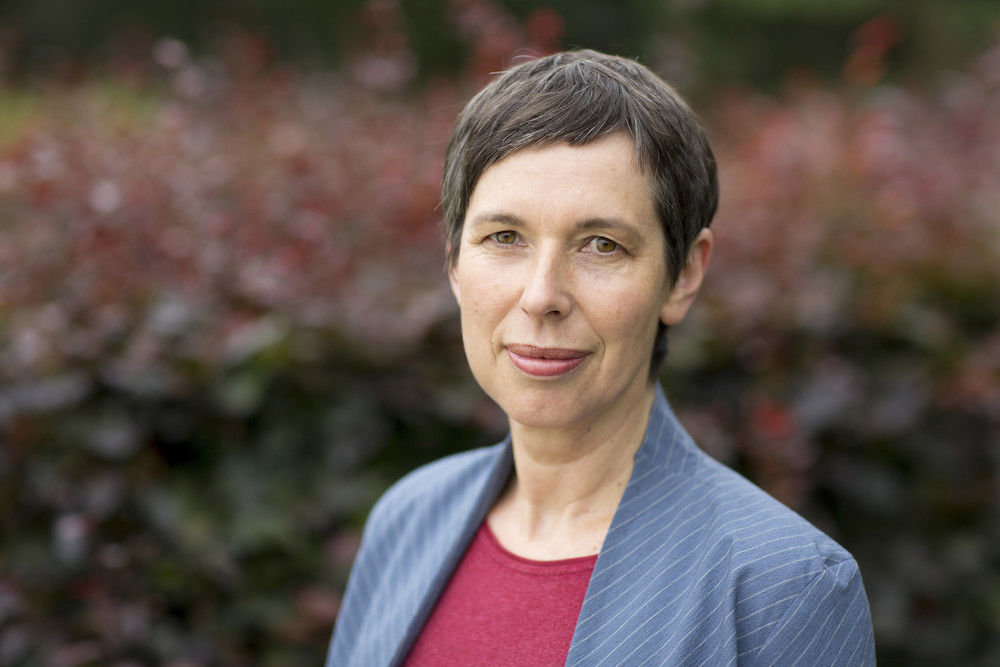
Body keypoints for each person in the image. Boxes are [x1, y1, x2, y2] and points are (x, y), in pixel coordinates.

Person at [327, 49, 875, 666]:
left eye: (602, 245)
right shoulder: (405, 523)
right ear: (454, 260)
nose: (542, 296)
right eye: (504, 237)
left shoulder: (783, 590)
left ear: (683, 275)